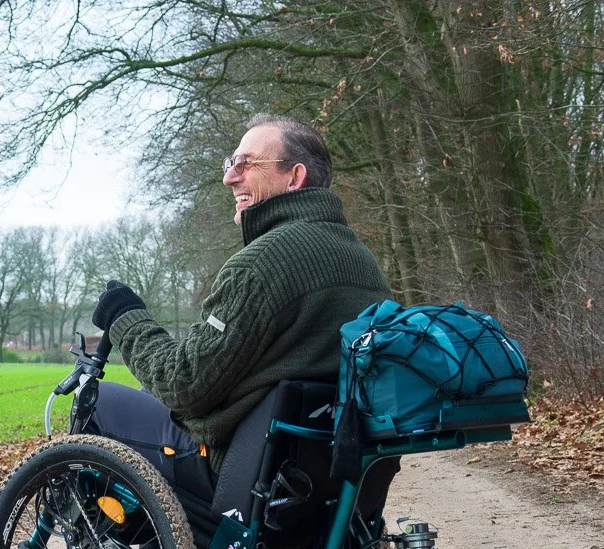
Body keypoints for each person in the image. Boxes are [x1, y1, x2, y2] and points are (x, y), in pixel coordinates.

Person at [88, 114, 392, 488]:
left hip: (239, 478)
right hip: (322, 484)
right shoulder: (364, 262)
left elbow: (183, 383)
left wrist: (125, 317)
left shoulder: (263, 264)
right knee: (147, 395)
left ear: (294, 177)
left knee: (96, 399)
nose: (229, 177)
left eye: (246, 163)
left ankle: (118, 542)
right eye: (231, 164)